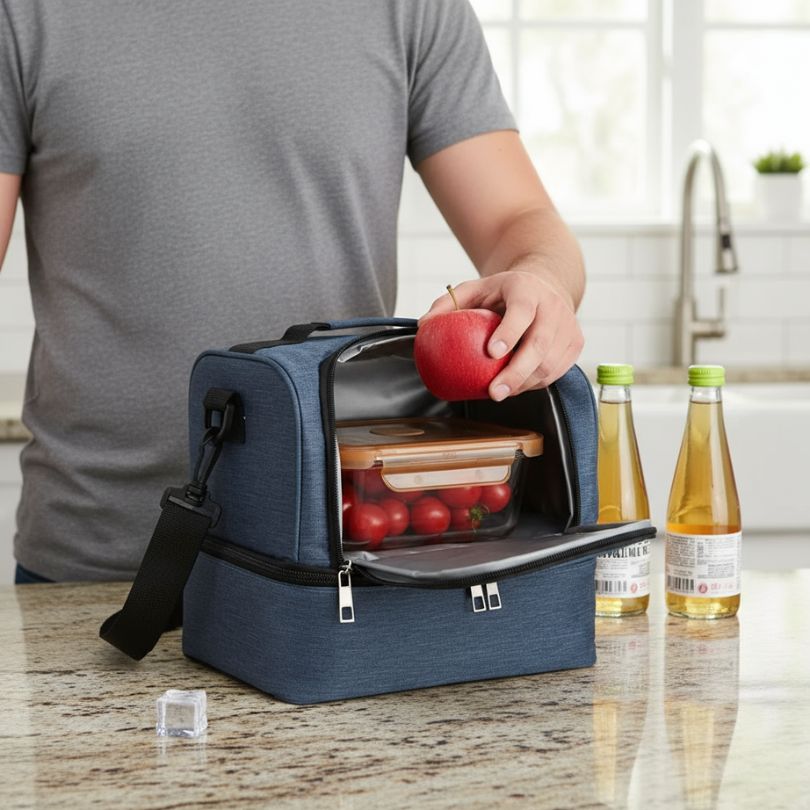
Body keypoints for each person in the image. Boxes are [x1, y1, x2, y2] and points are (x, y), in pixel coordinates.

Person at [0, 0, 584, 583]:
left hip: (338, 562)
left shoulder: (411, 8)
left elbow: (518, 218)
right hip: (91, 567)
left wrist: (541, 280)